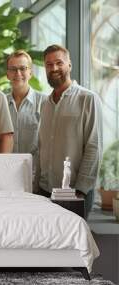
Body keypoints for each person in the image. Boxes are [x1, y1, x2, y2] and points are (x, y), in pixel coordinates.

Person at [37, 44, 103, 217]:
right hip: (45, 191)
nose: (54, 68)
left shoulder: (88, 99)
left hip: (74, 192)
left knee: (75, 243)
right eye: (49, 65)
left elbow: (93, 147)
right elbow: (41, 146)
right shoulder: (45, 104)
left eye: (59, 63)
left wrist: (81, 190)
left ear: (69, 65)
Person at [6, 50, 46, 156]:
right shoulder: (1, 103)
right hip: (6, 169)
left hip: (35, 170)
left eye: (23, 68)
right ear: (7, 74)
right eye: (13, 69)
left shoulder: (45, 102)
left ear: (30, 73)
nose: (18, 73)